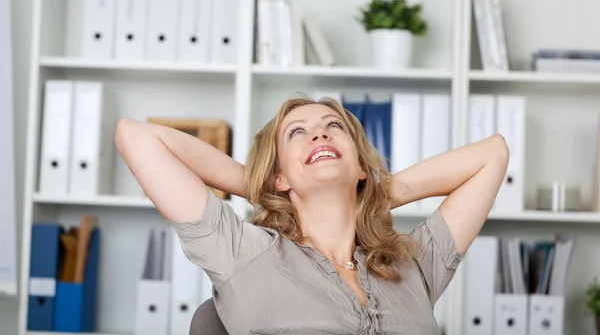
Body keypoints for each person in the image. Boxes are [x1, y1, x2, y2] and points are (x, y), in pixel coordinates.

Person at [115, 94, 509, 335]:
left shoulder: (414, 264)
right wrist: (262, 187)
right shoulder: (243, 254)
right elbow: (136, 136)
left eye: (333, 126)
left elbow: (493, 154)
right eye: (297, 132)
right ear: (280, 175)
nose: (319, 134)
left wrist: (374, 191)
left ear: (359, 165)